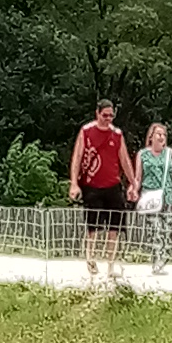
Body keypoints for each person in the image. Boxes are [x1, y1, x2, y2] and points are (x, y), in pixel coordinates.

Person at [69, 96, 132, 272]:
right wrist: (74, 183)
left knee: (115, 226)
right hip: (92, 184)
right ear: (97, 113)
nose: (108, 119)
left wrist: (133, 182)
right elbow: (77, 157)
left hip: (113, 184)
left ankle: (110, 264)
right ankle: (90, 258)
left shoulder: (117, 134)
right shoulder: (86, 131)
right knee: (93, 226)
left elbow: (124, 159)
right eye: (105, 115)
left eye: (111, 115)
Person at [135, 117, 172, 270]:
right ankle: (157, 259)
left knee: (168, 229)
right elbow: (138, 176)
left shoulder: (171, 153)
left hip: (168, 197)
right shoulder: (143, 155)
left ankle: (163, 256)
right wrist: (134, 189)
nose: (162, 137)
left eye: (164, 134)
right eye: (159, 134)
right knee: (155, 228)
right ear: (151, 137)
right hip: (151, 197)